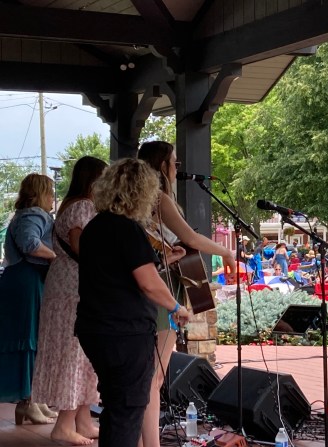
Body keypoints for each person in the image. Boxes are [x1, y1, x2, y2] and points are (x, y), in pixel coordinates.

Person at [75, 159, 190, 447]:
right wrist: (177, 307)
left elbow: (119, 272)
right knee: (127, 409)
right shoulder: (127, 229)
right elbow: (147, 282)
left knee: (116, 407)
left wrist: (162, 260)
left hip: (96, 328)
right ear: (141, 192)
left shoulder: (94, 227)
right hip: (124, 332)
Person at [138, 141, 235, 447]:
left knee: (149, 376)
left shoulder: (138, 202)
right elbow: (190, 236)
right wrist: (226, 252)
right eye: (174, 163)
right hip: (163, 289)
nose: (177, 169)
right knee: (154, 379)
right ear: (163, 165)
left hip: (155, 282)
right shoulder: (160, 199)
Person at [31, 157, 107, 445]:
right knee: (75, 352)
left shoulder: (68, 205)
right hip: (74, 287)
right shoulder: (84, 206)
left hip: (63, 283)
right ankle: (64, 424)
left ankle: (83, 420)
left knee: (79, 353)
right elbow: (81, 246)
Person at [0, 174, 56, 425]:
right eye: (50, 192)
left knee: (35, 338)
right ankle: (29, 401)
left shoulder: (27, 215)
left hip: (25, 279)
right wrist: (56, 257)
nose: (53, 198)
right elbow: (30, 244)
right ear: (39, 193)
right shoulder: (33, 214)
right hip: (26, 279)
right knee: (29, 337)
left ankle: (34, 399)